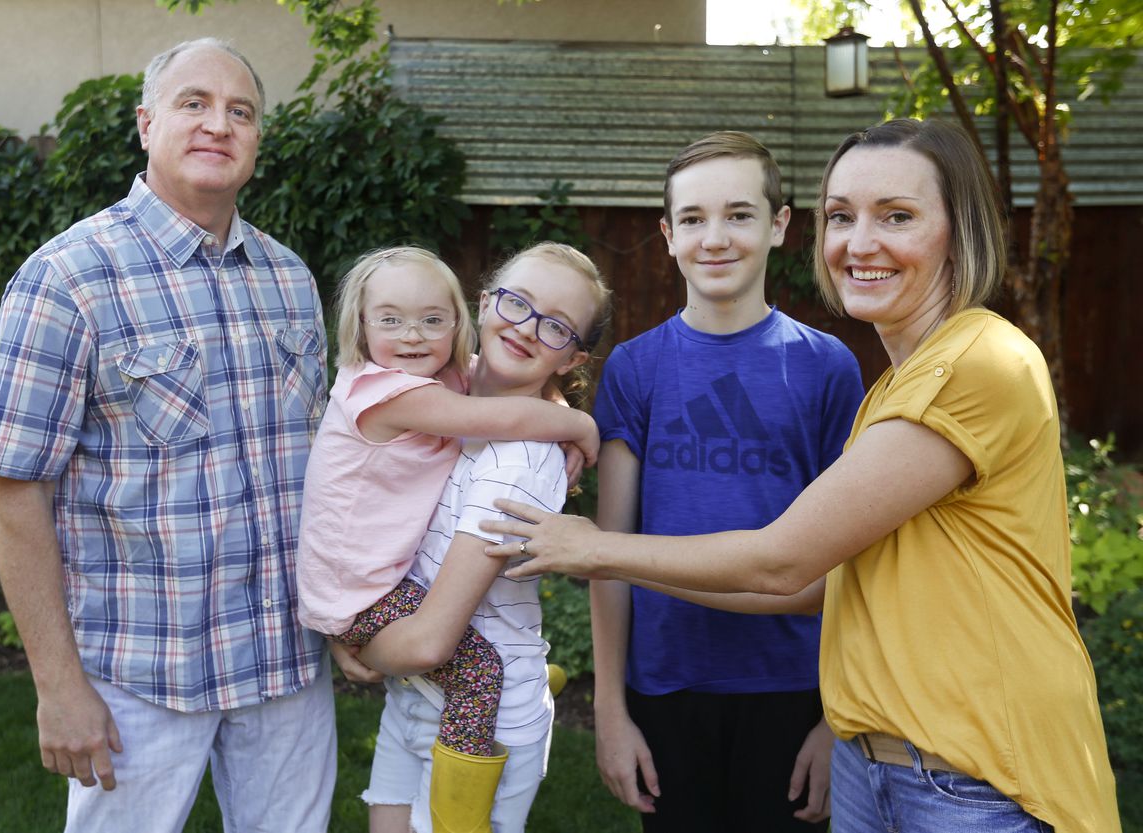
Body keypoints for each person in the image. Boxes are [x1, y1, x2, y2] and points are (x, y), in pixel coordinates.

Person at [482, 118, 1122, 833]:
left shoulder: (975, 365)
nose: (861, 241)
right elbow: (821, 584)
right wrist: (614, 688)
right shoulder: (896, 387)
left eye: (898, 216)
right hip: (877, 761)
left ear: (959, 228)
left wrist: (595, 547)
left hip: (973, 781)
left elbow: (785, 561)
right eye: (843, 217)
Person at [0, 38, 338, 832]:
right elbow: (14, 490)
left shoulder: (290, 279)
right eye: (193, 103)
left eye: (241, 111)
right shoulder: (66, 279)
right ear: (145, 123)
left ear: (258, 139)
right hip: (139, 677)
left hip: (286, 666)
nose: (218, 124)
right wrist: (58, 684)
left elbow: (320, 473)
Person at [586, 131, 864, 832]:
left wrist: (835, 722)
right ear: (668, 235)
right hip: (666, 684)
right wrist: (611, 712)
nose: (715, 238)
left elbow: (854, 561)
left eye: (739, 215)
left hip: (792, 686)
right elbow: (610, 554)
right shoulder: (635, 368)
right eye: (692, 219)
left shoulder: (826, 366)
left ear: (779, 225)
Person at [295, 244, 599, 823]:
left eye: (555, 326)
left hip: (409, 644)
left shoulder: (494, 434)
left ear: (457, 320)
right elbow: (503, 409)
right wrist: (580, 422)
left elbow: (431, 644)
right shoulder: (407, 390)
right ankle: (526, 678)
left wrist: (355, 638)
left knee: (480, 668)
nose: (413, 334)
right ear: (484, 307)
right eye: (518, 304)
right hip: (382, 629)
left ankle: (467, 804)